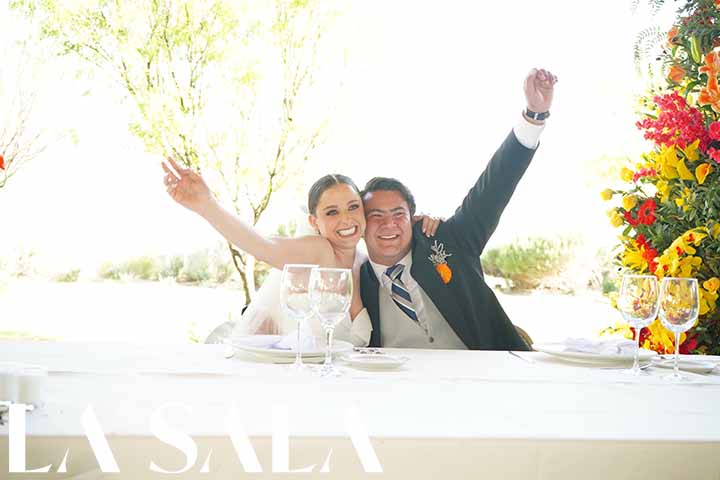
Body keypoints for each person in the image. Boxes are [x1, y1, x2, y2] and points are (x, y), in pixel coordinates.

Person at [359, 68, 557, 350]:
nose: (389, 224)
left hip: (487, 373)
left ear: (412, 218)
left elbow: (495, 186)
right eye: (376, 216)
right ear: (361, 224)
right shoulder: (354, 280)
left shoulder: (451, 240)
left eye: (398, 214)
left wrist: (534, 115)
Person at [161, 165, 442, 346]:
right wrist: (206, 205)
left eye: (353, 207)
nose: (346, 219)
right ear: (314, 222)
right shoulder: (317, 251)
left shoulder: (364, 263)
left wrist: (420, 224)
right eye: (332, 212)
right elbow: (261, 245)